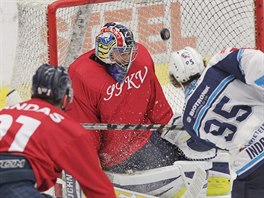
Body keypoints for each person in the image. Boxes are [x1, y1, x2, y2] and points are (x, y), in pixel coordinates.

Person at [66, 22, 181, 173]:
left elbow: (155, 101)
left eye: (130, 50)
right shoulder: (81, 75)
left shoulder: (142, 58)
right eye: (123, 52)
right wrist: (92, 167)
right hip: (117, 155)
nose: (130, 56)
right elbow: (86, 128)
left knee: (185, 162)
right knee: (175, 176)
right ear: (107, 53)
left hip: (148, 135)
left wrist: (170, 130)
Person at [0, 64, 116, 198]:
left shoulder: (6, 112)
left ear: (33, 91)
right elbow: (100, 190)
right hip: (11, 185)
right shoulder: (64, 125)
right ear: (66, 98)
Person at [168, 46, 264, 198]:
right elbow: (256, 61)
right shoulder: (219, 62)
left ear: (175, 80)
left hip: (250, 171)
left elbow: (217, 146)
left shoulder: (188, 121)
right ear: (201, 62)